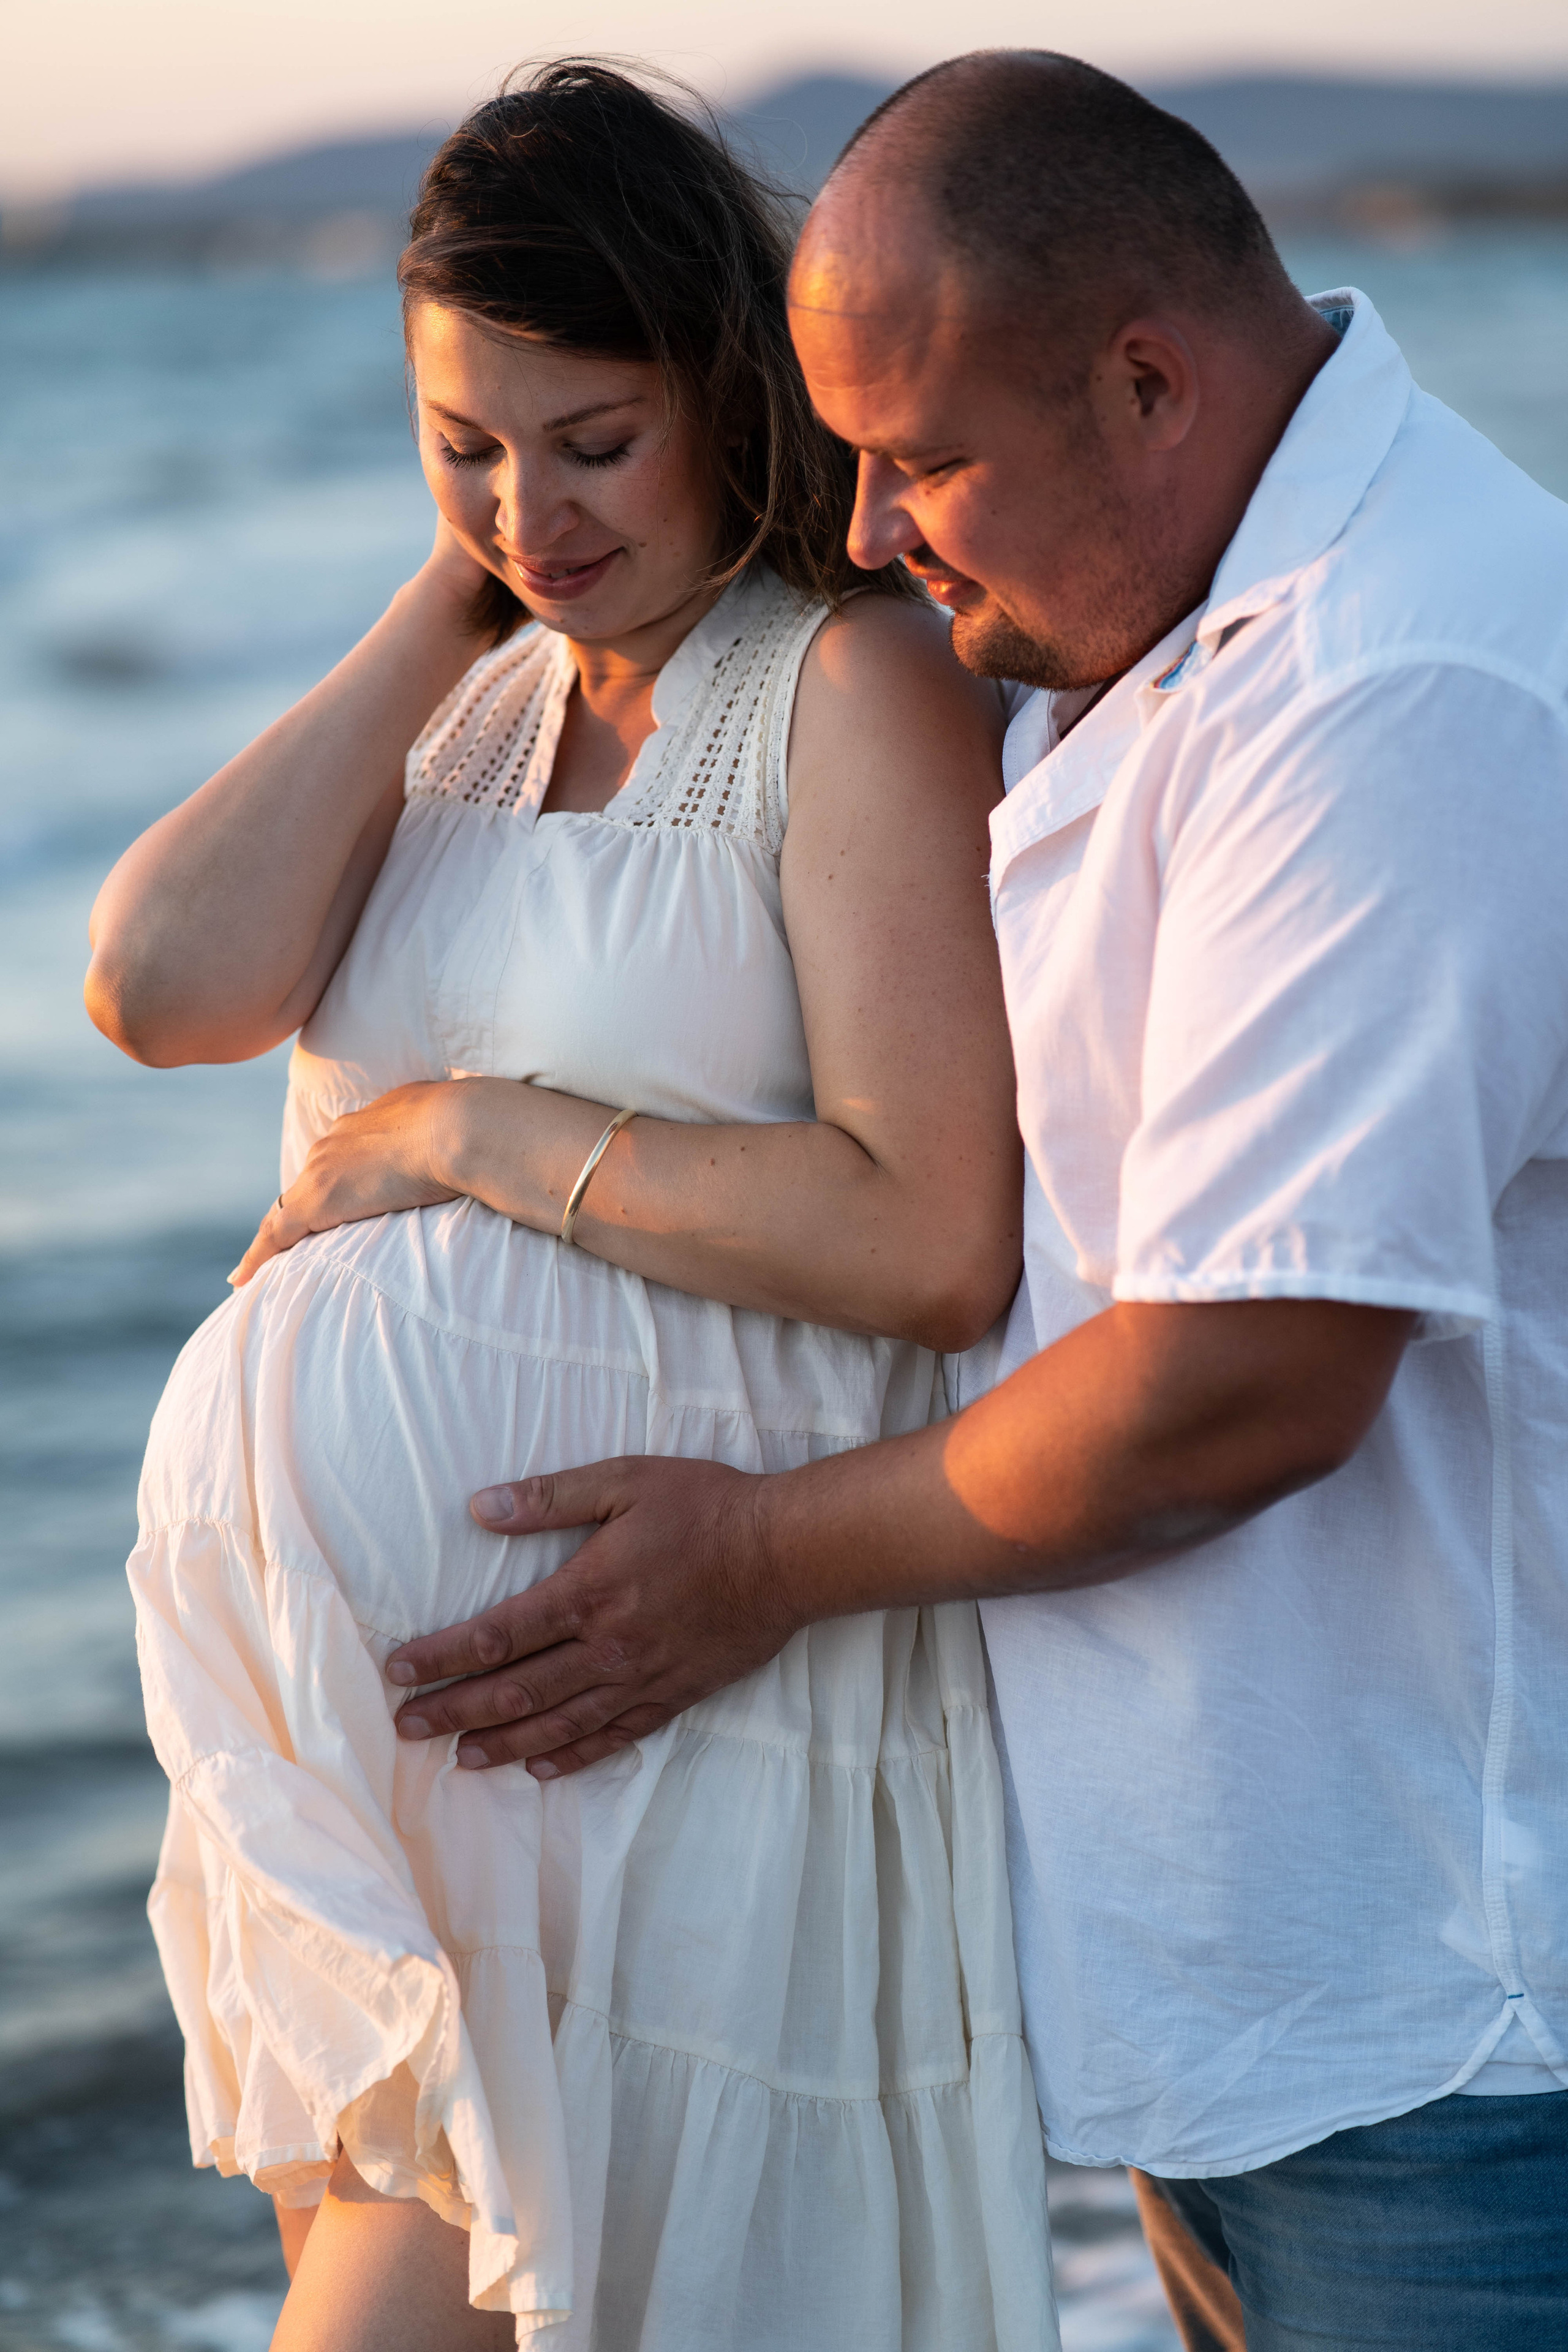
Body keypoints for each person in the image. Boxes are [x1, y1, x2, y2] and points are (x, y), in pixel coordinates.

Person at [386, 52, 1568, 2352]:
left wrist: (747, 1563)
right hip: (1243, 2006)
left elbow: (1237, 1380)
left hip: (1457, 2043)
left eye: (918, 459)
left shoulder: (1393, 683)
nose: (866, 530)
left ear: (1147, 382)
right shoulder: (1156, 611)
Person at [86, 62, 1058, 2352]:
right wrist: (448, 609)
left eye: (589, 438)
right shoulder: (466, 715)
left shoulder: (843, 690)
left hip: (669, 1689)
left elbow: (934, 1236)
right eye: (464, 446)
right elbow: (157, 984)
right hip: (400, 1729)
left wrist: (454, 1133)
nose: (528, 504)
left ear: (726, 389)